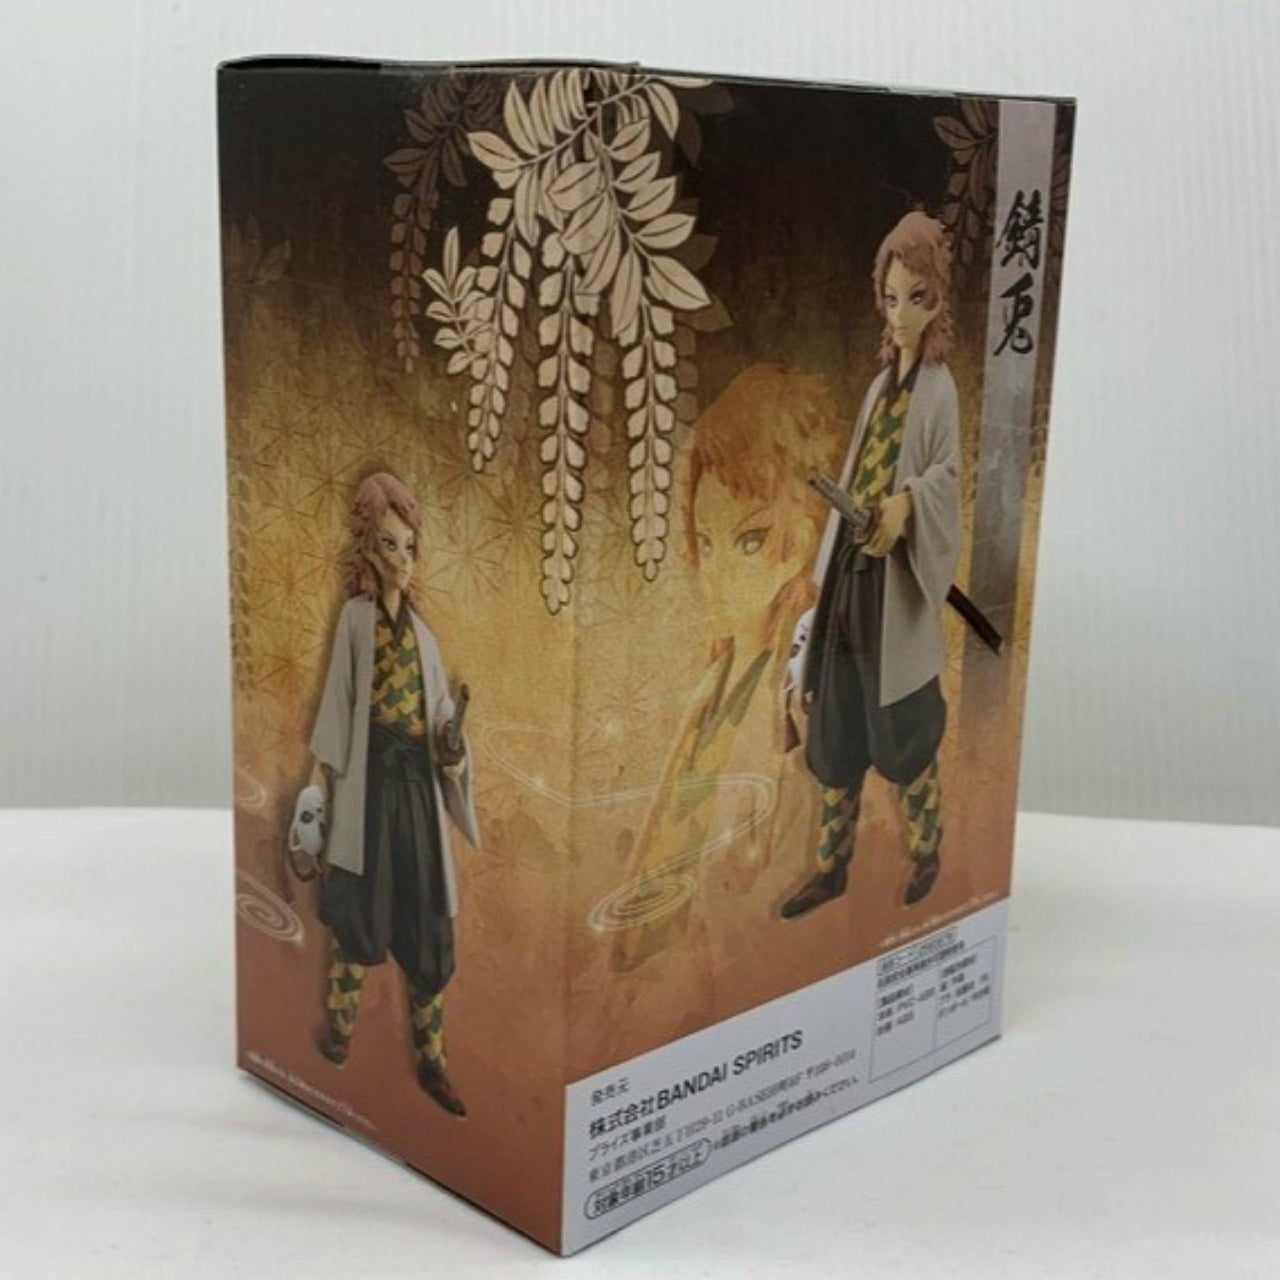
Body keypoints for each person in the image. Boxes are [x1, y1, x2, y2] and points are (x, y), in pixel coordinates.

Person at [780, 211, 961, 919]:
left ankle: (927, 848)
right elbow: (858, 471)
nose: (902, 314)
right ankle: (831, 868)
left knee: (903, 724)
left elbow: (946, 473)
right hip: (852, 578)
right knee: (838, 718)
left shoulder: (939, 388)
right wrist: (829, 563)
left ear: (937, 300)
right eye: (891, 298)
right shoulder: (879, 385)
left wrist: (907, 505)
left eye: (917, 297)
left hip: (898, 584)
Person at [307, 471, 479, 1116]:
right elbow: (337, 705)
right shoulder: (355, 621)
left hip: (416, 791)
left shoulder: (425, 638)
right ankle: (338, 1029)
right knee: (359, 907)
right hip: (369, 784)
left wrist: (453, 747)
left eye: (408, 546)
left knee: (425, 917)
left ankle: (432, 1060)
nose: (401, 560)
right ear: (367, 548)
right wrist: (317, 792)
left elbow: (441, 720)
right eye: (387, 545)